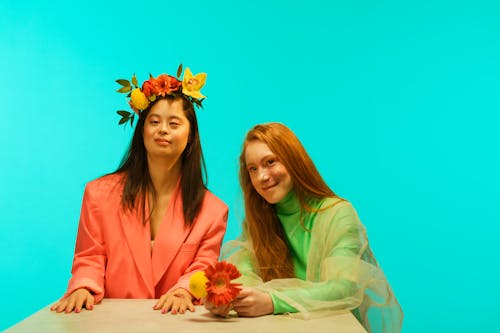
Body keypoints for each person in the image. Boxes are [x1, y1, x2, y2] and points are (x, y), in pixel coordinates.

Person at [51, 67, 228, 315]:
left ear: (190, 137)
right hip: (112, 324)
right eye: (154, 121)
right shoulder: (98, 194)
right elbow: (89, 257)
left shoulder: (213, 210)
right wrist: (83, 288)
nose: (163, 129)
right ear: (142, 131)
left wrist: (184, 290)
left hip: (175, 323)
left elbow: (202, 266)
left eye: (174, 123)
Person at [205, 123, 403, 333]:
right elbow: (243, 270)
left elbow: (345, 288)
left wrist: (273, 301)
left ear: (294, 160)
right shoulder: (259, 219)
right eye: (252, 169)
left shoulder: (338, 213)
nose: (261, 177)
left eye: (270, 162)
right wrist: (229, 297)